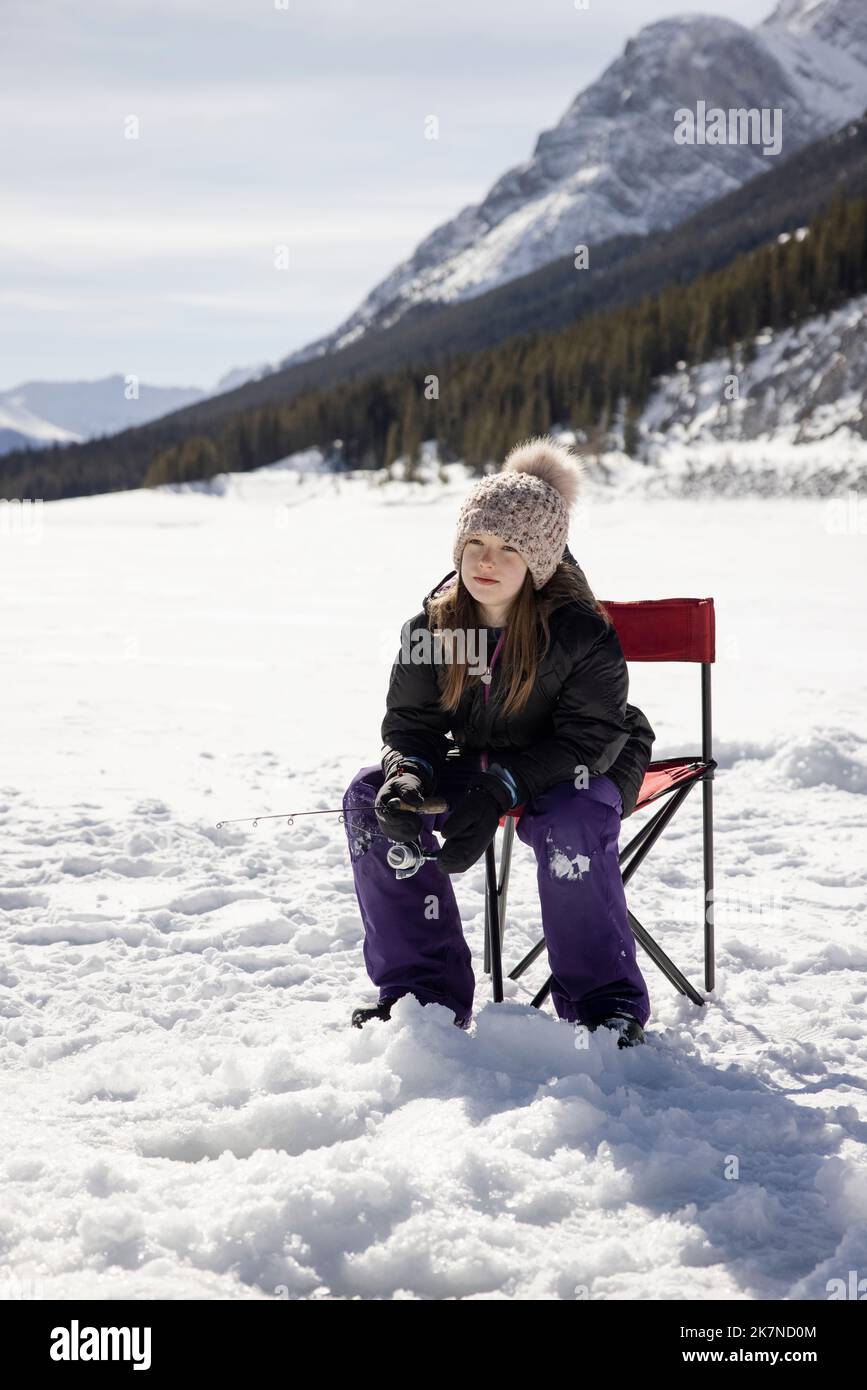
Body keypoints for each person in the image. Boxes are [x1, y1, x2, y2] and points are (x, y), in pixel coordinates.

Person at [342, 434, 656, 1046]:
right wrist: (408, 775)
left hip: (586, 763)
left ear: (539, 562)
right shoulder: (431, 629)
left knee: (571, 818)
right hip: (484, 760)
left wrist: (501, 787)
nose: (487, 561)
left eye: (509, 548)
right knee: (369, 801)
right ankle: (421, 992)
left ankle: (604, 1005)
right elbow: (413, 727)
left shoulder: (579, 631)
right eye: (476, 544)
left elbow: (588, 738)